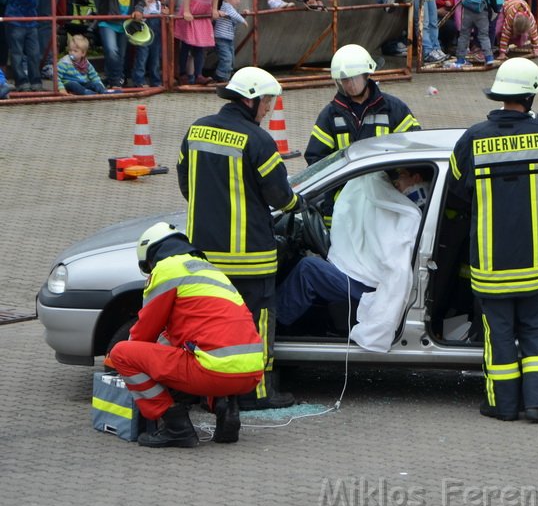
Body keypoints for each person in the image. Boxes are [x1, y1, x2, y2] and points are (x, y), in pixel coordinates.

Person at [448, 58, 538, 423]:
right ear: (532, 96)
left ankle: (502, 405)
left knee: (498, 335)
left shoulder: (473, 138)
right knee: (537, 334)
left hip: (490, 264)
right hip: (536, 262)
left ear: (500, 95)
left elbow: (456, 190)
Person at [176, 66, 301, 411]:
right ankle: (257, 392)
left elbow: (185, 180)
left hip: (204, 256)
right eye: (267, 103)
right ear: (251, 100)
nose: (269, 110)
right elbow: (281, 196)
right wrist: (299, 204)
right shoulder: (258, 140)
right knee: (257, 323)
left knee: (211, 323)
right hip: (251, 257)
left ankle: (207, 388)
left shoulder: (197, 129)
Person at [107, 223, 265, 447]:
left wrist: (118, 364)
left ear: (150, 257)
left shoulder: (167, 269)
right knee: (184, 346)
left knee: (123, 353)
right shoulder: (210, 269)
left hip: (214, 372)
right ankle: (225, 407)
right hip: (251, 374)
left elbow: (145, 332)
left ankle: (176, 427)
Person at [276, 167, 429, 350]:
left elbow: (393, 260)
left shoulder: (406, 209)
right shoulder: (412, 204)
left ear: (416, 177)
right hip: (372, 277)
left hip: (370, 283)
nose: (396, 182)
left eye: (402, 175)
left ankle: (272, 326)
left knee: (308, 269)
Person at [304, 44, 421, 166]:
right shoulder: (330, 115)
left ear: (367, 75)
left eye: (354, 78)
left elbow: (414, 146)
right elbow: (315, 159)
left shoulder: (393, 108)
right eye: (344, 80)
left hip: (384, 184)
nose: (350, 84)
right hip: (346, 184)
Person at [5, 0, 60, 92]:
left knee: (34, 53)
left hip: (31, 23)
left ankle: (35, 80)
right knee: (17, 54)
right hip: (16, 22)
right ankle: (21, 81)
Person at [174, 0, 223, 86]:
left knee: (200, 46)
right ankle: (182, 74)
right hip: (192, 13)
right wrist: (186, 10)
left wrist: (214, 9)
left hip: (202, 14)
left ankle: (198, 75)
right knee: (186, 44)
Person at [96, 0, 143, 88]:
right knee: (112, 51)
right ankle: (115, 82)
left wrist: (138, 10)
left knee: (121, 55)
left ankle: (113, 81)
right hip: (107, 21)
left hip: (125, 22)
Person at [450, 0, 497, 68]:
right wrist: (496, 9)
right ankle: (488, 58)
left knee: (464, 35)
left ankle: (460, 60)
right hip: (481, 11)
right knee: (484, 35)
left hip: (468, 10)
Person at [131, 0, 165, 88]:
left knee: (155, 59)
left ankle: (155, 81)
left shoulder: (159, 4)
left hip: (156, 36)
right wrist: (144, 7)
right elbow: (139, 19)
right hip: (144, 35)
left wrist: (165, 13)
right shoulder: (141, 5)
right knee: (142, 57)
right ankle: (139, 81)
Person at [213, 0, 247, 82]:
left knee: (231, 58)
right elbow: (234, 15)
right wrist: (243, 20)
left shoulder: (231, 9)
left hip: (228, 38)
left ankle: (227, 76)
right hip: (221, 38)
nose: (238, 1)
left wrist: (243, 15)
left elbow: (234, 19)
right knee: (226, 58)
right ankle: (219, 76)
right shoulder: (227, 6)